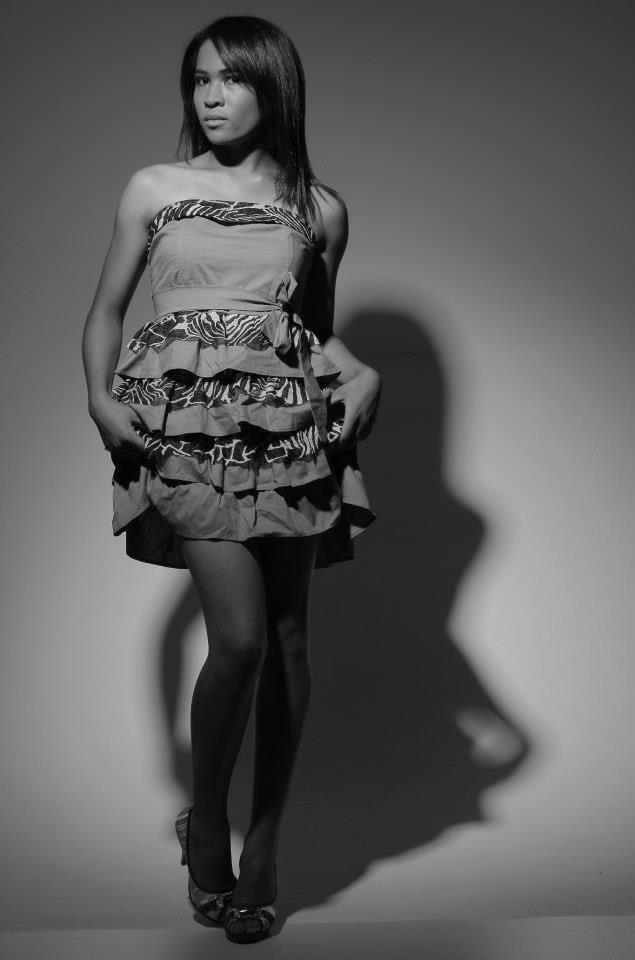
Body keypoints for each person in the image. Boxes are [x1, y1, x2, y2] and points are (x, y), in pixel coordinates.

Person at [82, 14, 381, 945]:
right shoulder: (155, 188)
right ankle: (207, 824)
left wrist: (363, 372)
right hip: (187, 428)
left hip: (289, 430)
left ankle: (266, 848)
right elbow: (106, 311)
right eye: (198, 80)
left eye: (230, 79)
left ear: (272, 87)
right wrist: (99, 398)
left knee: (287, 644)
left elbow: (311, 332)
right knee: (242, 642)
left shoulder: (319, 209)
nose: (210, 97)